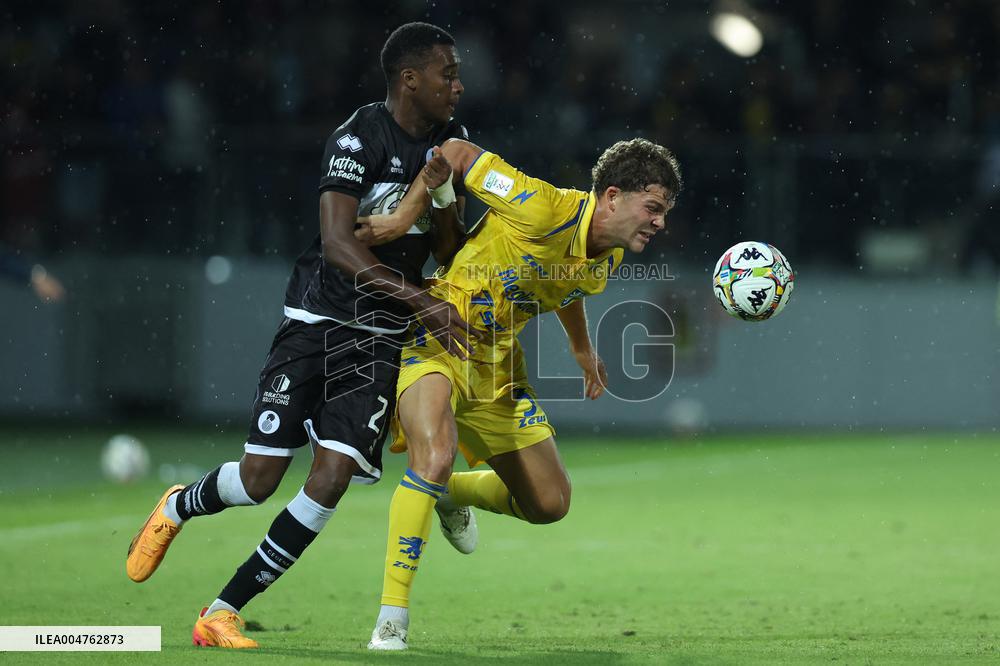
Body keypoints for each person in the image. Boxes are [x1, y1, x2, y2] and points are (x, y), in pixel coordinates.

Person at [125, 22, 484, 648]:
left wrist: (445, 195)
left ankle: (221, 609)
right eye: (447, 74)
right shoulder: (358, 137)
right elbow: (338, 244)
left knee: (331, 477)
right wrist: (416, 300)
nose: (459, 85)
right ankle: (179, 505)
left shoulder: (451, 143)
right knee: (259, 478)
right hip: (318, 320)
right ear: (410, 79)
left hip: (376, 336)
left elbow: (448, 249)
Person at [367, 136, 682, 650]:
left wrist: (581, 348)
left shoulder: (607, 256)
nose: (660, 223)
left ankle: (451, 495)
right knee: (435, 455)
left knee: (550, 503)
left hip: (497, 365)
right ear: (612, 197)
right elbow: (456, 151)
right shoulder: (540, 205)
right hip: (438, 334)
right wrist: (405, 216)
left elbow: (566, 286)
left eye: (664, 212)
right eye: (653, 208)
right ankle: (391, 618)